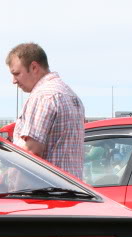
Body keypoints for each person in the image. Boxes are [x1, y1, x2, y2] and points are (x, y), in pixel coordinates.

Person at [6, 42, 85, 178]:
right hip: (73, 187)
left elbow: (31, 151)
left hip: (45, 191)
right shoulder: (71, 95)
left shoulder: (43, 96)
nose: (14, 81)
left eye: (17, 73)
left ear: (34, 67)